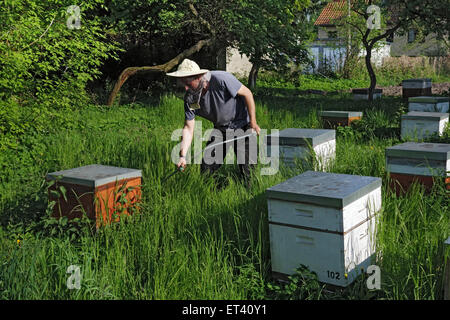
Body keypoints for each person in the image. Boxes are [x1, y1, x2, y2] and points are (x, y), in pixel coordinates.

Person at [166, 58, 261, 187]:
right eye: (183, 83)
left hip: (242, 126)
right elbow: (188, 128)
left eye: (188, 83)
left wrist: (253, 123)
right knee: (207, 168)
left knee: (248, 170)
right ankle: (215, 191)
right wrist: (182, 155)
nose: (186, 88)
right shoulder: (191, 99)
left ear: (199, 77)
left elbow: (247, 94)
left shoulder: (222, 79)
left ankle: (249, 195)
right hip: (221, 129)